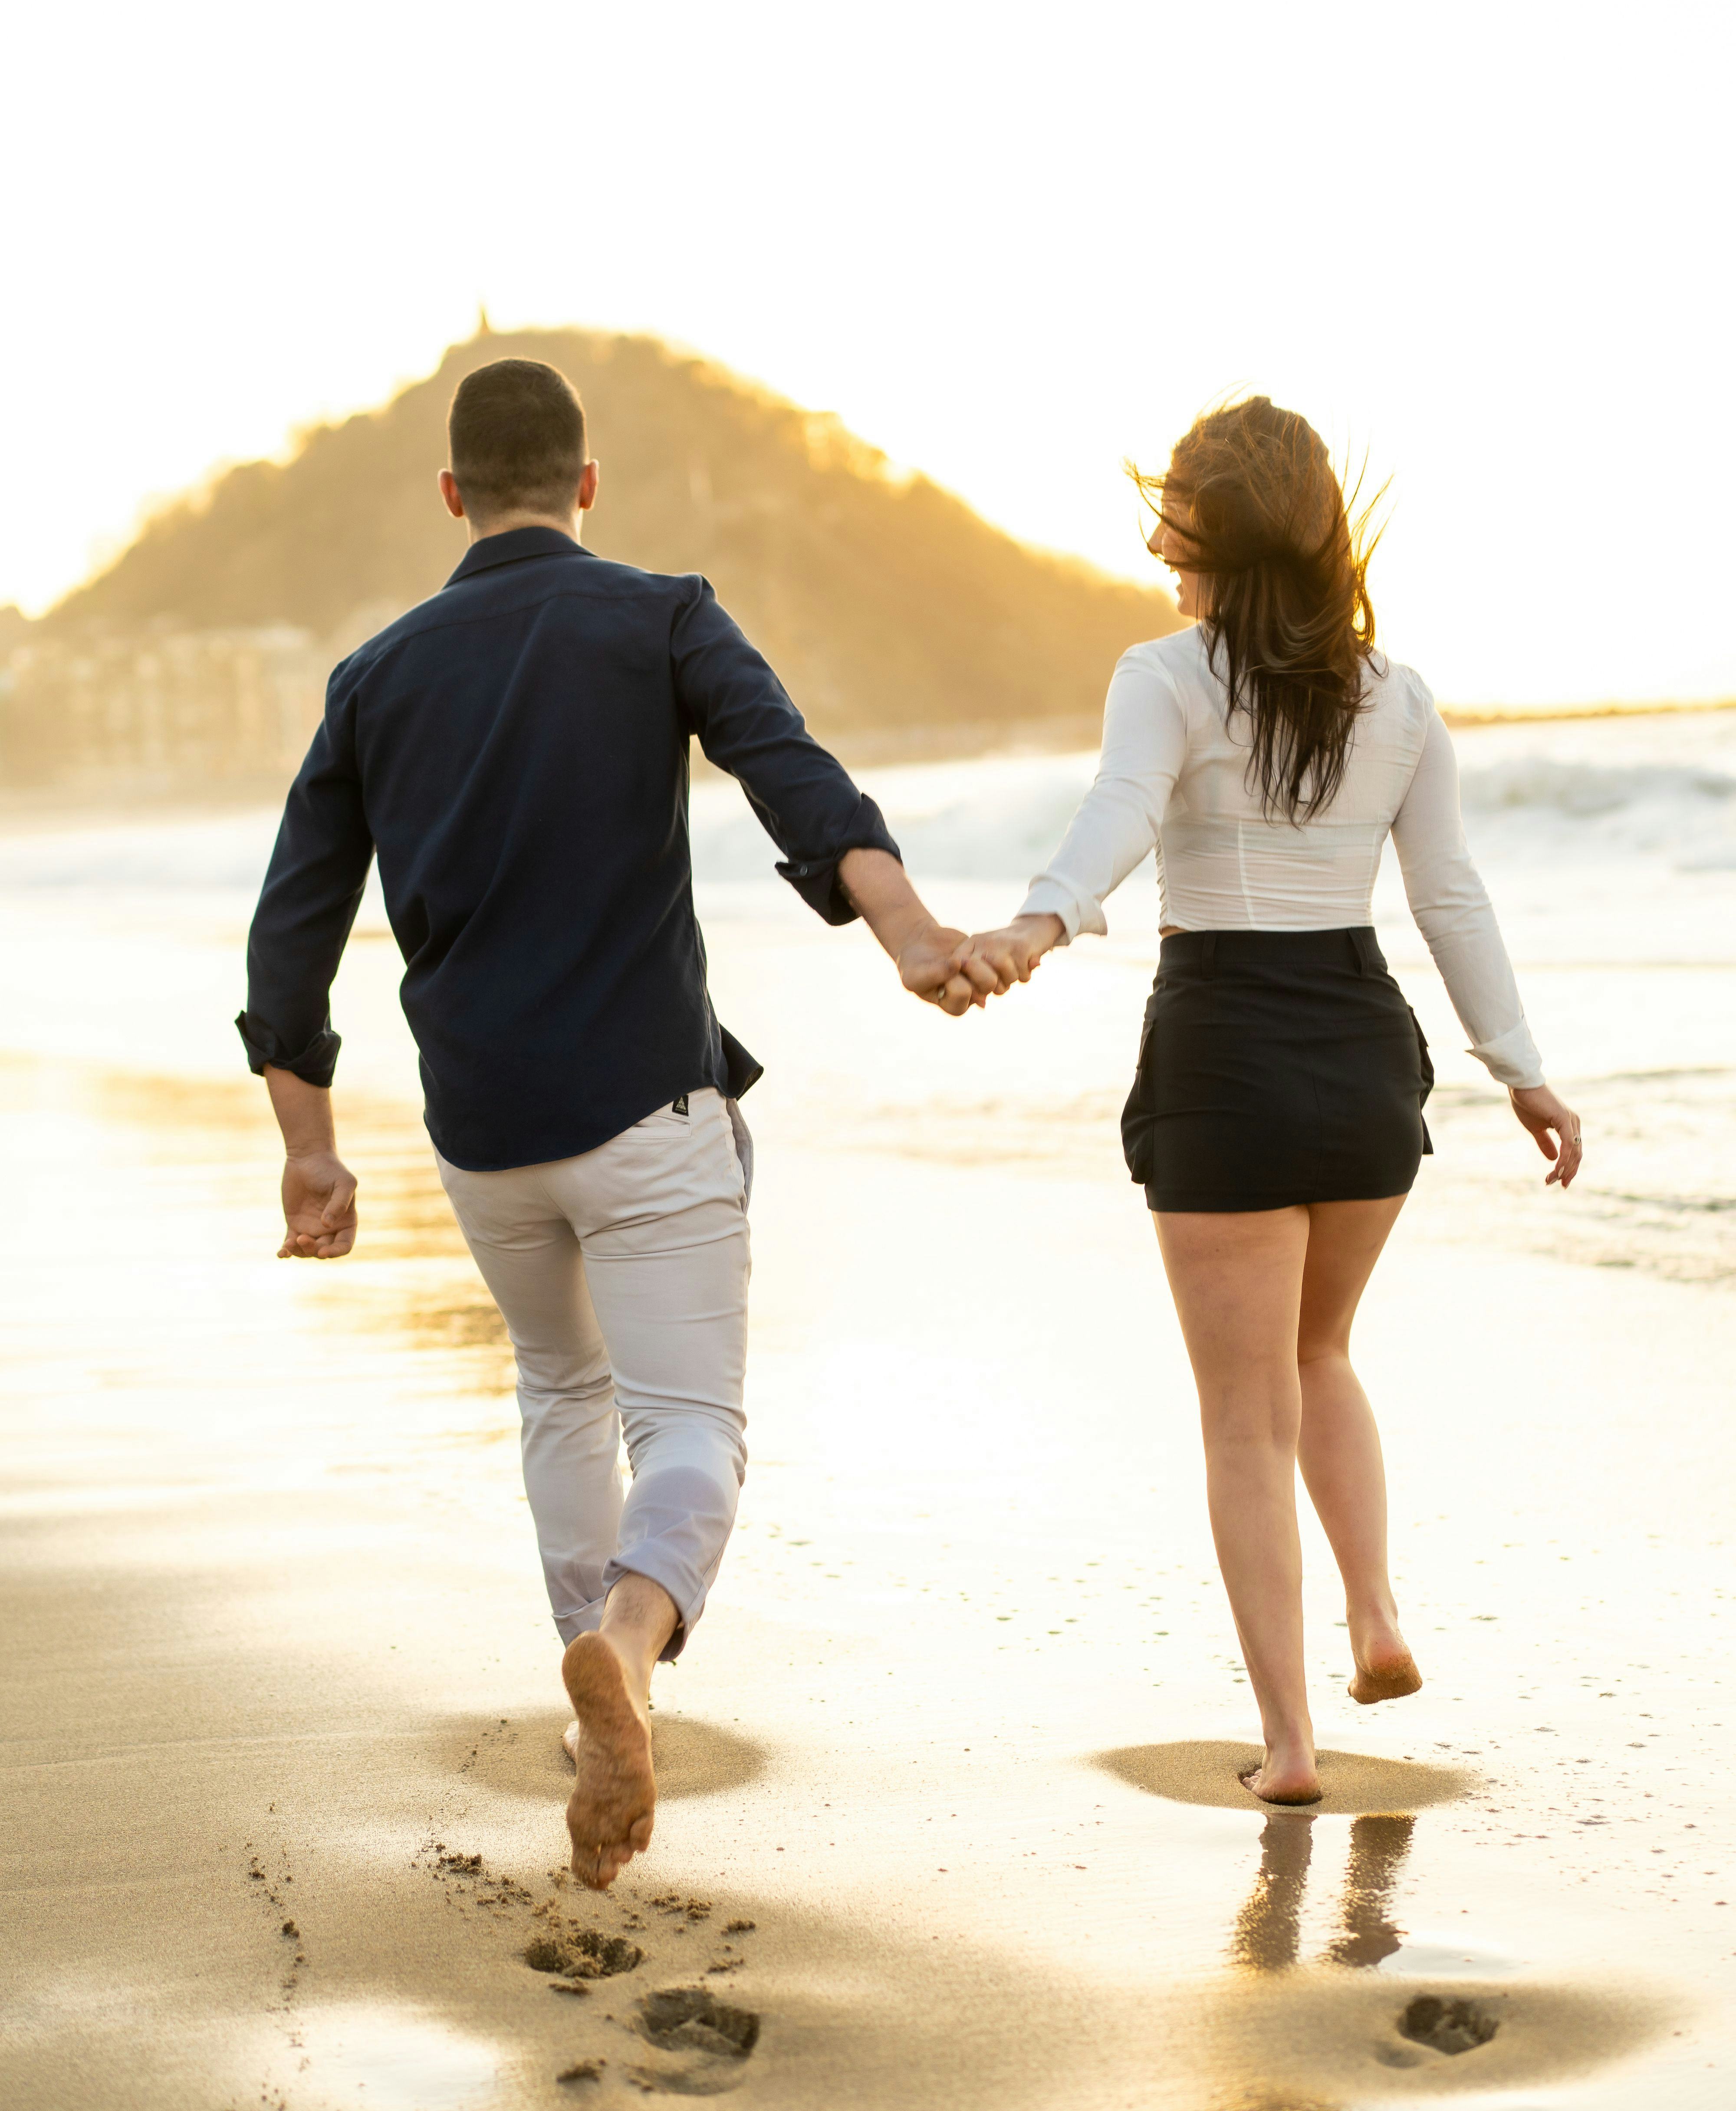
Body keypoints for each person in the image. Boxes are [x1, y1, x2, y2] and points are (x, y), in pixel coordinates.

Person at [238, 357, 998, 1886]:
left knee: (559, 1390)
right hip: (646, 1101)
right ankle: (632, 1651)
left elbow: (290, 931)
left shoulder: (374, 677)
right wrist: (908, 930)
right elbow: (792, 775)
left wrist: (309, 1147)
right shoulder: (661, 614)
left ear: (451, 494)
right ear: (588, 484)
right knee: (691, 1423)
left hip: (484, 1133)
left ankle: (595, 1670)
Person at [958, 397, 1581, 1806]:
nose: (1159, 554)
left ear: (1220, 532)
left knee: (1246, 1413)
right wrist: (1522, 1069)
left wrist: (1041, 925)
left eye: (1174, 525)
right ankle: (1377, 1611)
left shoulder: (1165, 676)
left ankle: (1293, 1747)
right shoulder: (1400, 699)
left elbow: (1121, 812)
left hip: (1226, 1049)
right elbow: (1450, 897)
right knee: (1323, 1352)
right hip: (1363, 1051)